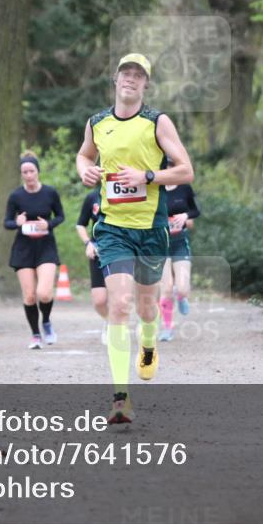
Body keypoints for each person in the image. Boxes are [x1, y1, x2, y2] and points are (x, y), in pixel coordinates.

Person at [76, 52, 194, 423]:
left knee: (146, 307)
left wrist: (147, 176)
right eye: (125, 73)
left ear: (146, 84)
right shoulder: (97, 123)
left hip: (152, 230)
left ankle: (149, 342)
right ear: (115, 79)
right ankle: (120, 398)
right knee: (120, 305)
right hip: (113, 228)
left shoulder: (157, 122)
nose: (131, 78)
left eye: (138, 75)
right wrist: (85, 170)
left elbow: (185, 171)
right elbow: (84, 155)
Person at [4, 151, 65, 349]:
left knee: (44, 293)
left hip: (46, 246)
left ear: (38, 171)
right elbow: (7, 222)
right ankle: (35, 335)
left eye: (32, 171)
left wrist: (48, 224)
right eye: (25, 172)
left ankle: (46, 321)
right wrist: (17, 222)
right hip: (24, 249)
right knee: (30, 295)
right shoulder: (15, 196)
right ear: (21, 174)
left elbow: (60, 216)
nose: (29, 175)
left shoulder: (50, 193)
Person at [158, 177, 200, 342]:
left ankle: (181, 296)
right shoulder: (155, 188)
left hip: (180, 243)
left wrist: (185, 216)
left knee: (182, 288)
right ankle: (167, 328)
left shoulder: (184, 188)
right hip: (160, 245)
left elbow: (195, 211)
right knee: (166, 288)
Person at [75, 186, 109, 343]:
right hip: (98, 251)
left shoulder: (127, 193)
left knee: (118, 296)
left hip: (121, 250)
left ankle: (117, 326)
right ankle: (109, 320)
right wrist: (88, 243)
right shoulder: (92, 197)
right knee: (99, 301)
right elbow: (80, 224)